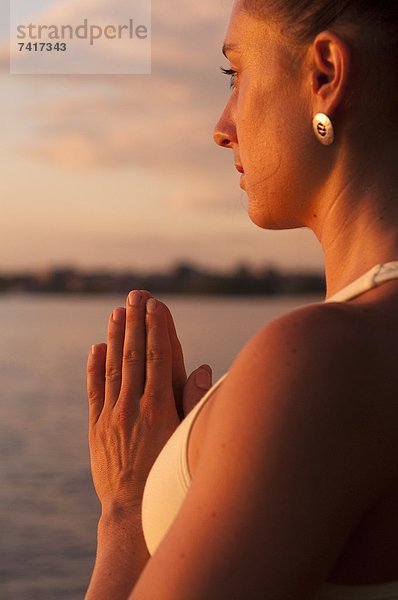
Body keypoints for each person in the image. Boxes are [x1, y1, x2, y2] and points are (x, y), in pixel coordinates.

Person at [84, 0, 398, 598]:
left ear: (325, 75)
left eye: (236, 75)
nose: (221, 127)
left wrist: (125, 511)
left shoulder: (322, 359)